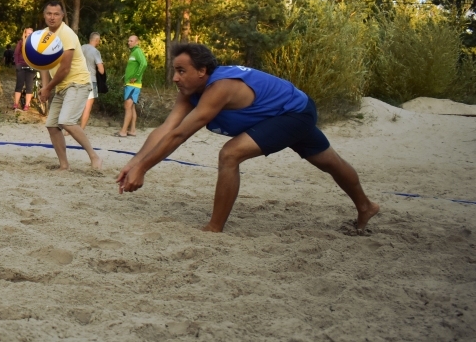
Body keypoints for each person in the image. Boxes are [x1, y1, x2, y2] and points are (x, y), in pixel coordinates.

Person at [116, 43, 380, 233]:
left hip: (295, 112)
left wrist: (144, 168)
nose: (175, 77)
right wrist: (134, 162)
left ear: (202, 71)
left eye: (181, 71)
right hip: (277, 113)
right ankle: (366, 206)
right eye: (175, 70)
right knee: (330, 162)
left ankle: (214, 227)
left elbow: (181, 134)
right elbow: (166, 129)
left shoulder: (220, 87)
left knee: (230, 154)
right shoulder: (190, 90)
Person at [36, 1, 101, 171]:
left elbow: (65, 69)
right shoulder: (42, 35)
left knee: (66, 121)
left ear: (62, 16)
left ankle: (94, 157)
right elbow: (43, 64)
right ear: (44, 15)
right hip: (60, 86)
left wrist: (48, 87)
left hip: (78, 82)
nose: (52, 17)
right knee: (51, 125)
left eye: (56, 14)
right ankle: (64, 165)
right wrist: (44, 88)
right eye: (49, 13)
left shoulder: (67, 34)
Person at [118, 34, 147, 138]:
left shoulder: (137, 51)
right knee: (132, 107)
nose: (129, 42)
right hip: (130, 84)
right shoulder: (133, 52)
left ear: (137, 42)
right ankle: (132, 130)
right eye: (128, 41)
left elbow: (144, 64)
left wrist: (136, 76)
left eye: (131, 41)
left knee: (127, 106)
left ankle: (123, 131)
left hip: (133, 85)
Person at [79, 32, 104, 128]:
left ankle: (69, 129)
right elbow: (101, 71)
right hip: (90, 80)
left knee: (77, 106)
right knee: (87, 107)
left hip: (79, 79)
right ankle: (81, 129)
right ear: (97, 40)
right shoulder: (95, 52)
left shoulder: (81, 48)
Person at [12, 27, 35, 111]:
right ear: (25, 34)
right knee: (19, 85)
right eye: (28, 33)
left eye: (31, 33)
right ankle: (16, 103)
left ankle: (26, 105)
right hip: (21, 65)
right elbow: (16, 54)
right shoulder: (21, 43)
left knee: (29, 86)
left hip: (31, 66)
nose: (30, 35)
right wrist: (17, 64)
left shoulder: (35, 43)